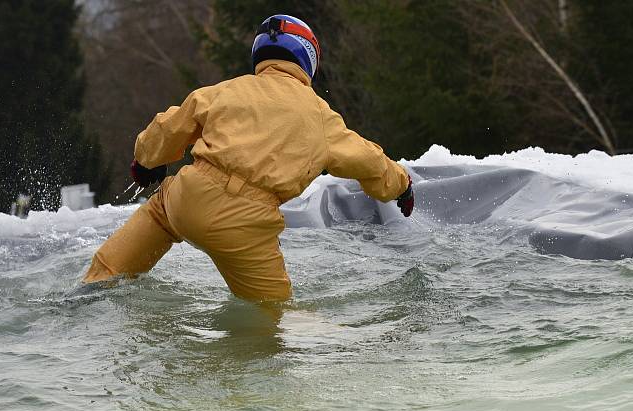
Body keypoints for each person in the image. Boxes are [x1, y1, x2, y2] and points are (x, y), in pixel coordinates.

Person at [83, 14, 414, 302]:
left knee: (157, 215)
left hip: (190, 195)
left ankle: (94, 286)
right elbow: (370, 160)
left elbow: (169, 126)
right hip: (246, 224)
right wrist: (401, 186)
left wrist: (146, 162)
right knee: (272, 314)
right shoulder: (321, 116)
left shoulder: (228, 89)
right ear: (309, 58)